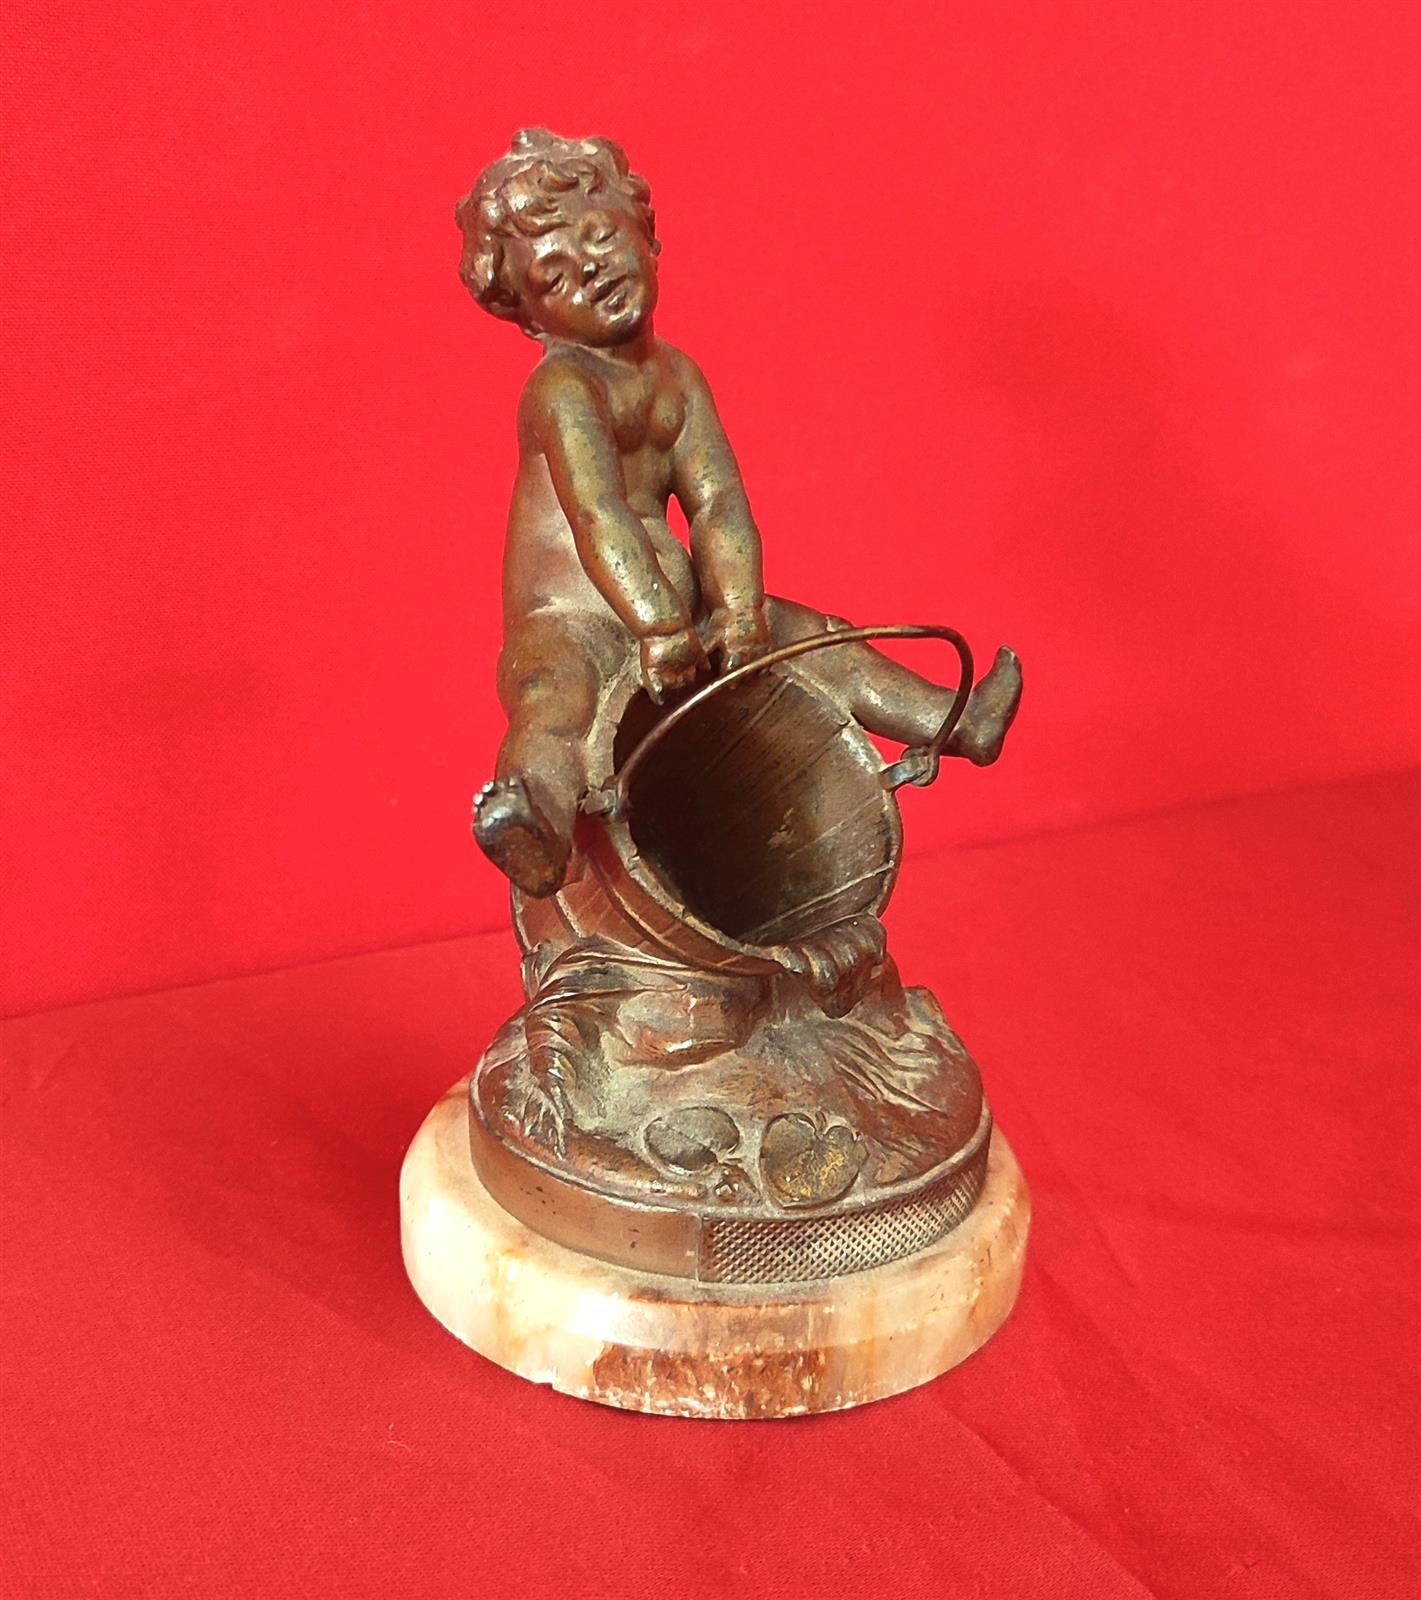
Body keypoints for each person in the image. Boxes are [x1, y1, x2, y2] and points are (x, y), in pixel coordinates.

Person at [457, 129, 1021, 898]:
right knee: (553, 699)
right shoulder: (561, 389)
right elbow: (597, 517)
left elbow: (718, 503)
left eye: (600, 237)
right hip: (575, 620)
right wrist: (658, 625)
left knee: (817, 642)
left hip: (674, 609)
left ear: (645, 234)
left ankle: (955, 723)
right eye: (554, 276)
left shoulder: (679, 378)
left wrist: (737, 609)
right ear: (532, 320)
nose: (590, 269)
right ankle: (537, 820)